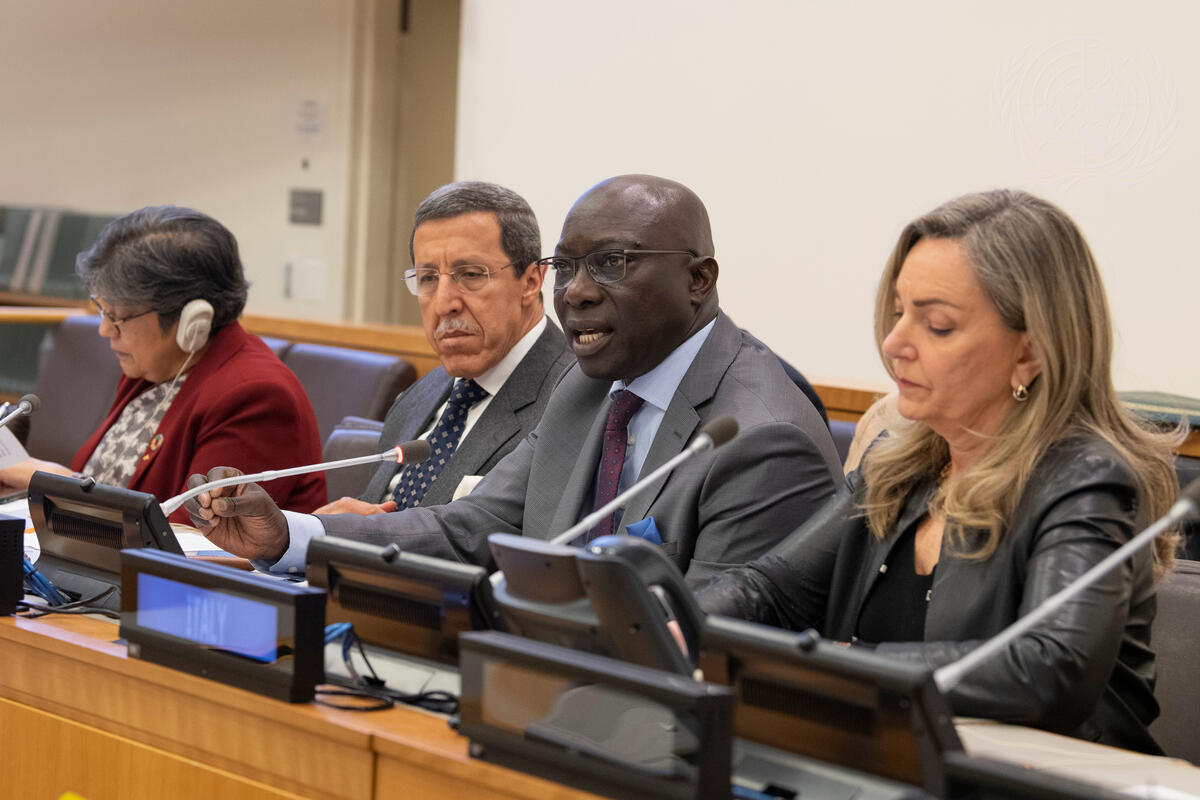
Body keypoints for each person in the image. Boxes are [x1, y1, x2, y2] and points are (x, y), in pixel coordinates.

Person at [696, 189, 1180, 753]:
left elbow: (1049, 667)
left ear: (1030, 353)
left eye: (938, 325)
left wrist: (850, 666)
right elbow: (772, 592)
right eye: (898, 313)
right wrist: (673, 621)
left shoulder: (1089, 480)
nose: (894, 343)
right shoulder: (898, 466)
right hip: (890, 768)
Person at [187, 174, 842, 586]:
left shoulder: (761, 436)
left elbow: (710, 645)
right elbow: (475, 525)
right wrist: (290, 534)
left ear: (699, 279)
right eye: (568, 266)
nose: (577, 292)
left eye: (612, 264)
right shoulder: (592, 388)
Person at [0, 206, 325, 523]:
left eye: (118, 317)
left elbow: (193, 537)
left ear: (192, 319)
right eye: (103, 311)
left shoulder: (256, 397)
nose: (105, 330)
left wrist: (53, 483)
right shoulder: (157, 365)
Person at [313, 181, 572, 515]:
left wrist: (364, 533)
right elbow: (374, 514)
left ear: (531, 281)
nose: (444, 303)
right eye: (428, 278)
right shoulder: (416, 397)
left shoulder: (571, 399)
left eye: (471, 274)